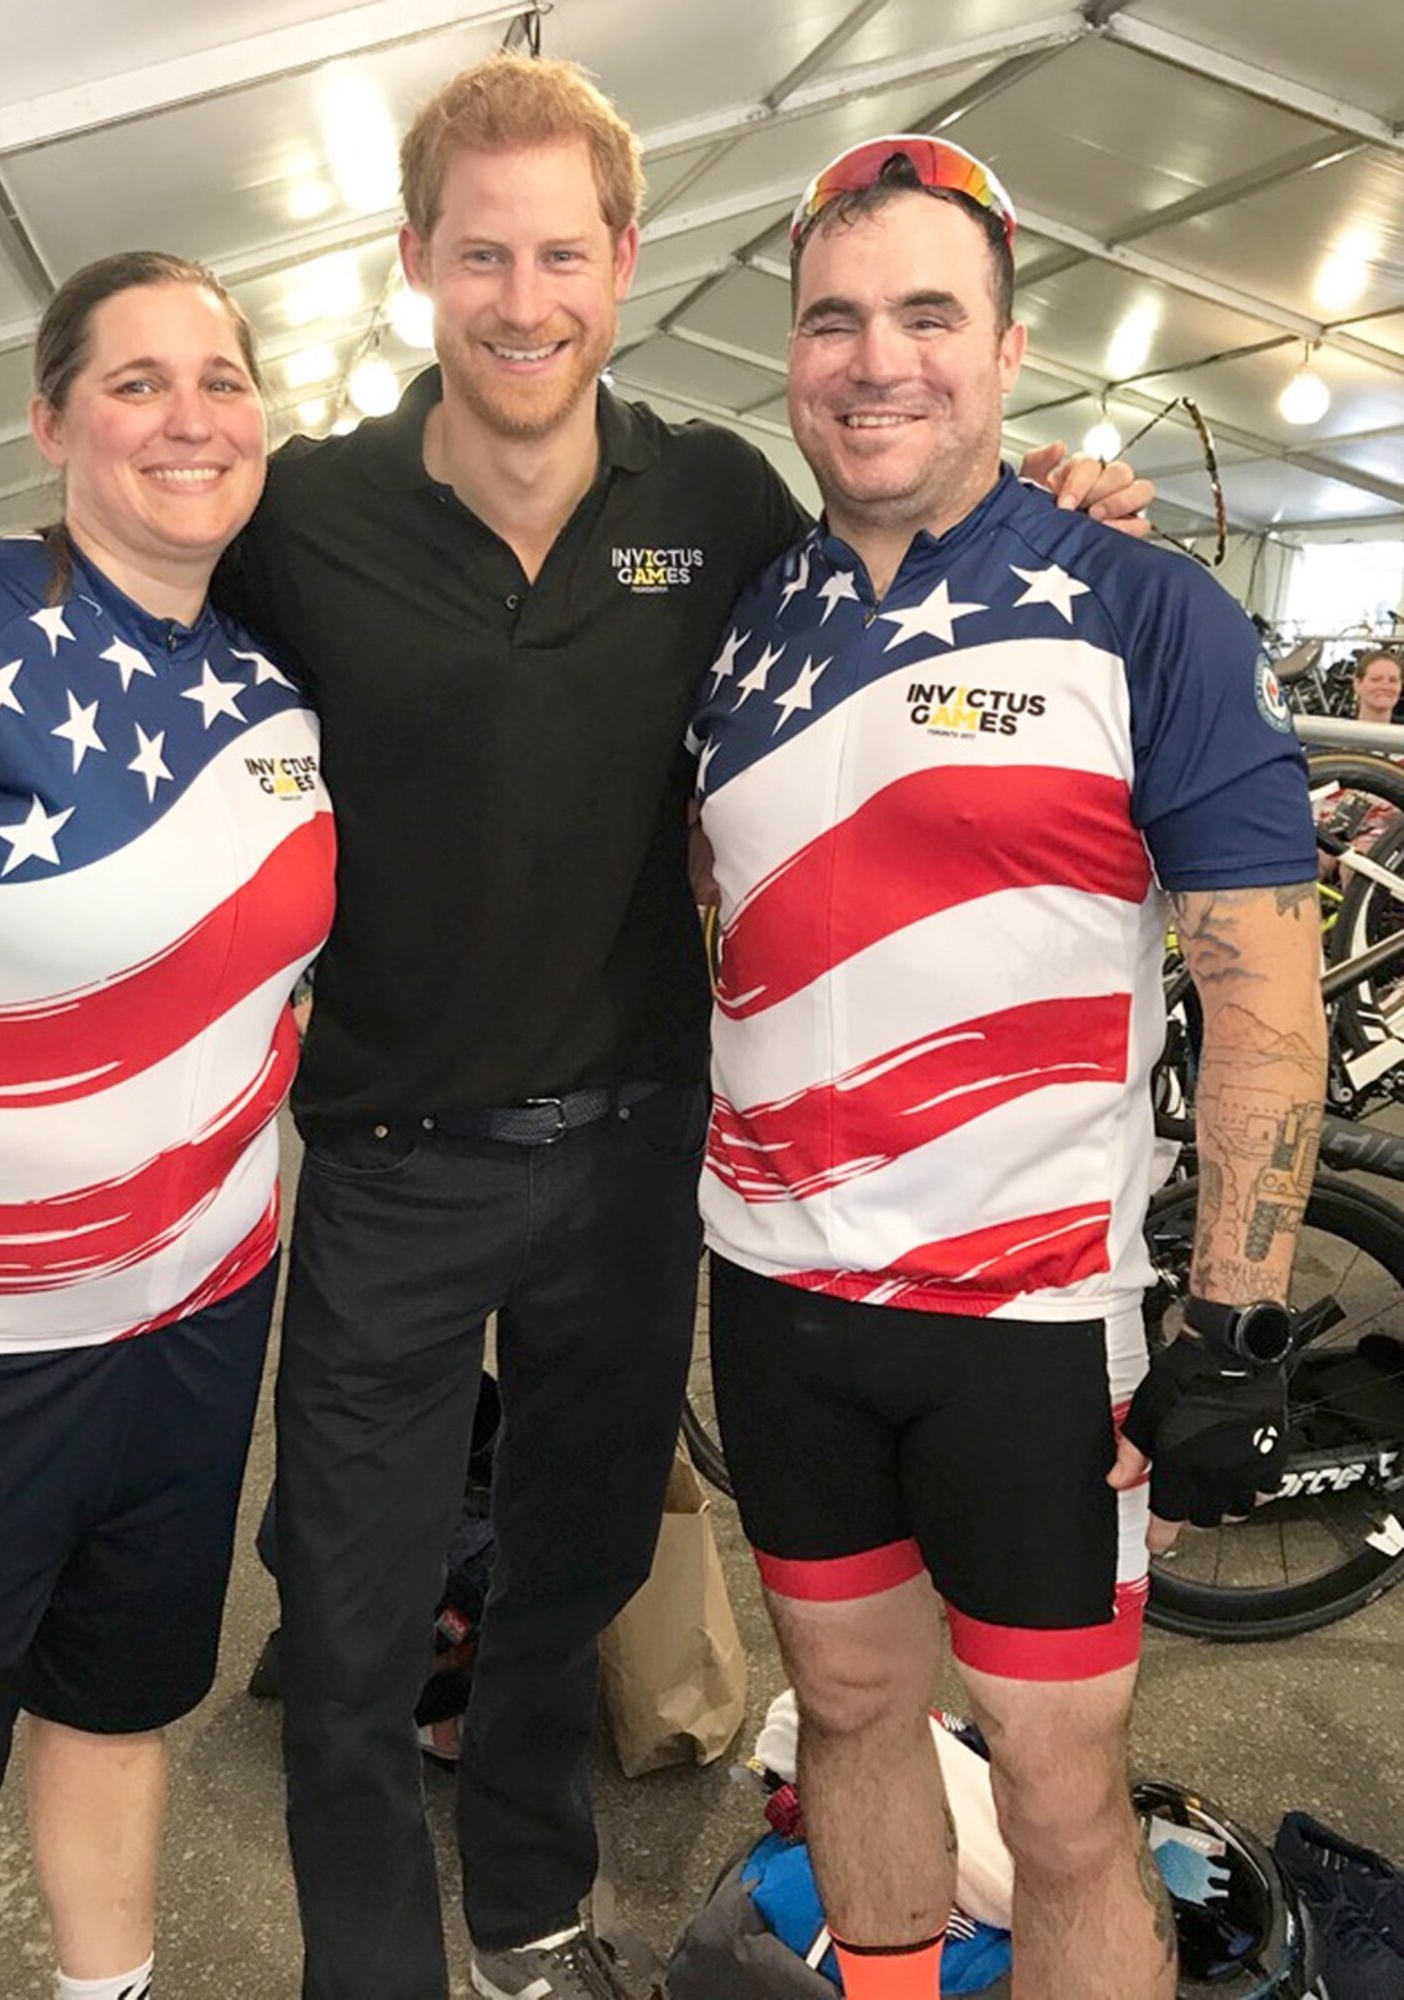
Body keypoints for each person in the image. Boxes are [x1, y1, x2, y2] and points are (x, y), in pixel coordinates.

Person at [223, 57, 1150, 2000]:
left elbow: (904, 543)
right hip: (387, 1160)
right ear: (414, 263)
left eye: (562, 250)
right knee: (352, 1603)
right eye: (480, 252)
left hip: (639, 1150)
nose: (522, 294)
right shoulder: (304, 517)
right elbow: (157, 664)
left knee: (566, 1583)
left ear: (624, 263)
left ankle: (527, 1917)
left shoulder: (713, 497)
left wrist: (1054, 497)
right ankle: (368, 1967)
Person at [692, 135, 1326, 2000]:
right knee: (848, 1731)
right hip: (781, 1295)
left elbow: (1266, 996)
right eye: (832, 319)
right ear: (789, 354)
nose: (874, 359)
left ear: (1006, 344)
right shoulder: (734, 623)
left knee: (1058, 1805)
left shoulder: (1143, 610)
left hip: (1036, 1328)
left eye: (923, 315)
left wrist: (1238, 1321)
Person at [0, 252, 335, 2000]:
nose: (192, 417)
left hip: (183, 1334)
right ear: (49, 421)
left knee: (116, 1726)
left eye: (224, 379)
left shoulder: (276, 687)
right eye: (137, 380)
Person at [1351, 647, 1401, 727]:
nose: (1385, 687)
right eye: (1376, 680)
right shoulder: (1331, 731)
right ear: (1358, 684)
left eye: (1393, 680)